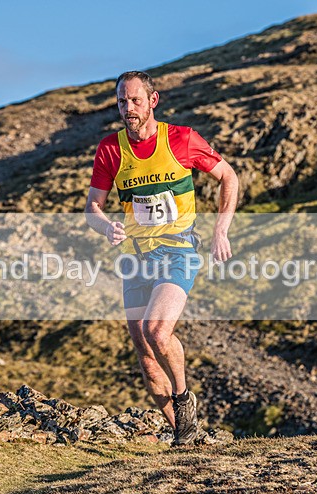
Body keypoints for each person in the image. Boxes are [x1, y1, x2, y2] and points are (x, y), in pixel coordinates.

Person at [85, 71, 239, 446]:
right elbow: (93, 207)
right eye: (122, 101)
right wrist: (105, 227)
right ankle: (184, 434)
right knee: (146, 356)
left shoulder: (181, 139)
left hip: (178, 250)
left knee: (157, 330)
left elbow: (228, 177)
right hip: (135, 258)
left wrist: (221, 229)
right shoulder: (110, 148)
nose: (128, 108)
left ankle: (185, 400)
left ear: (153, 100)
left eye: (136, 100)